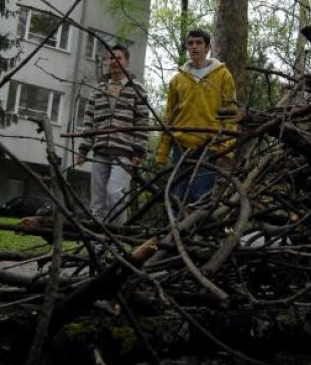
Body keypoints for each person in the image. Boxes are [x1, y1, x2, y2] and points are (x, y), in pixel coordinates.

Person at [155, 29, 239, 204]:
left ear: (207, 47)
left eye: (199, 43)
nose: (194, 47)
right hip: (180, 145)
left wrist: (227, 145)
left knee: (201, 196)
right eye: (190, 43)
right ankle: (178, 230)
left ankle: (199, 231)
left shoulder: (223, 75)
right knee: (179, 195)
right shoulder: (178, 79)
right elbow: (169, 115)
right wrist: (163, 151)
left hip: (208, 145)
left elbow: (230, 111)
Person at [76, 44, 149, 225]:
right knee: (97, 200)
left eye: (119, 58)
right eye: (111, 58)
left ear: (127, 61)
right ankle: (98, 244)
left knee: (115, 195)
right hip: (100, 150)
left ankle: (116, 240)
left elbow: (142, 122)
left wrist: (139, 151)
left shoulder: (137, 89)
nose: (114, 62)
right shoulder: (99, 89)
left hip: (124, 152)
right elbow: (89, 120)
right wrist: (84, 149)